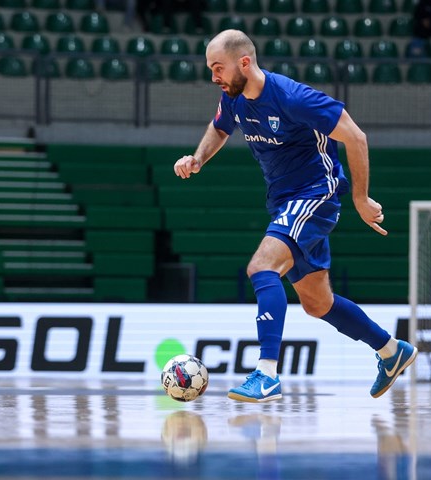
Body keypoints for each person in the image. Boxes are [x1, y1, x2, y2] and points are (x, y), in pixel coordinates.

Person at [173, 30, 417, 403]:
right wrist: (198, 158)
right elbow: (220, 126)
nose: (214, 77)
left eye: (218, 68)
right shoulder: (234, 99)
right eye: (211, 69)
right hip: (284, 201)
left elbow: (356, 136)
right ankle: (390, 351)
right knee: (318, 303)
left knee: (261, 267)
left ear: (244, 62)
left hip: (316, 194)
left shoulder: (292, 97)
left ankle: (266, 374)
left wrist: (361, 198)